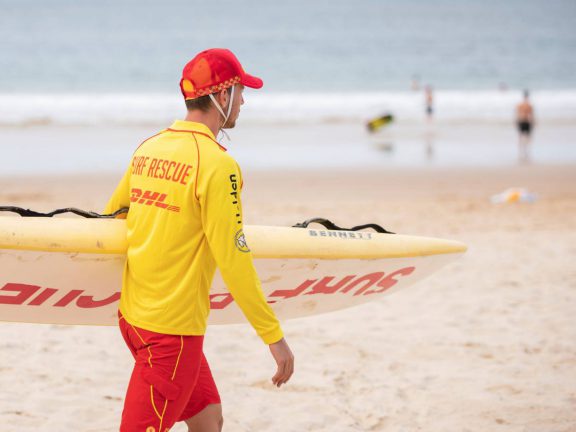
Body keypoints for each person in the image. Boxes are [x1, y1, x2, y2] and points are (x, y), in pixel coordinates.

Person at [104, 48, 295, 432]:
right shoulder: (218, 165)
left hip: (134, 319)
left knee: (208, 418)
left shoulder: (148, 148)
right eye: (241, 92)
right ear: (221, 97)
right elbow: (234, 258)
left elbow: (112, 217)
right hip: (170, 337)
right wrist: (274, 338)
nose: (243, 101)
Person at [516, 89, 535, 162]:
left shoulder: (520, 105)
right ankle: (525, 150)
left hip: (521, 121)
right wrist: (533, 121)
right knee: (526, 136)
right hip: (526, 121)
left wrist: (517, 121)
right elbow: (531, 115)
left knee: (521, 136)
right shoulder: (529, 105)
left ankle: (521, 151)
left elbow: (517, 114)